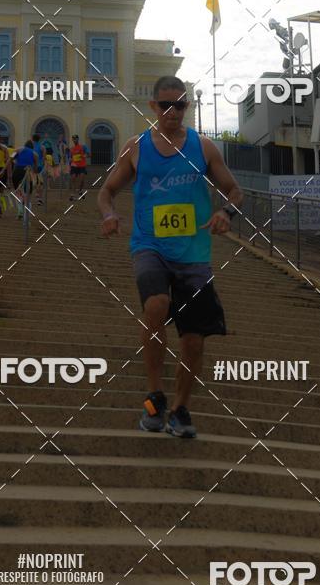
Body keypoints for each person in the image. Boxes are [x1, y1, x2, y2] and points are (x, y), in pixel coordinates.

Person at [98, 76, 243, 438]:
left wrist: (225, 212)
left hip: (193, 253)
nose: (173, 112)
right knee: (156, 305)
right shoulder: (136, 147)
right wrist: (109, 214)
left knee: (193, 338)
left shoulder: (203, 147)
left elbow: (234, 190)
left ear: (187, 107)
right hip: (149, 245)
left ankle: (180, 408)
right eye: (166, 105)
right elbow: (107, 190)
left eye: (180, 105)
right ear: (153, 107)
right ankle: (154, 395)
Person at [12, 139, 38, 218]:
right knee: (28, 194)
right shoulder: (35, 154)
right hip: (28, 172)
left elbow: (11, 158)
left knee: (17, 191)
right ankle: (27, 214)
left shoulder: (18, 150)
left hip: (17, 171)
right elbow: (35, 168)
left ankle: (20, 210)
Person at [69, 134, 90, 201]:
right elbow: (70, 157)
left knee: (82, 179)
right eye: (73, 139)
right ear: (72, 140)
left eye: (75, 138)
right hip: (74, 165)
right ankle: (73, 194)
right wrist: (70, 161)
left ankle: (80, 190)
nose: (74, 140)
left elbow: (89, 154)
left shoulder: (83, 146)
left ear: (78, 139)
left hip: (82, 165)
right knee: (73, 178)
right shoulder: (71, 148)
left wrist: (84, 156)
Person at [31, 133, 46, 205]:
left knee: (35, 181)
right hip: (40, 166)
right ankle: (39, 198)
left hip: (32, 166)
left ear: (32, 139)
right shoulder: (42, 147)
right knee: (40, 182)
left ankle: (37, 195)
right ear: (39, 139)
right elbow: (44, 158)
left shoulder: (30, 147)